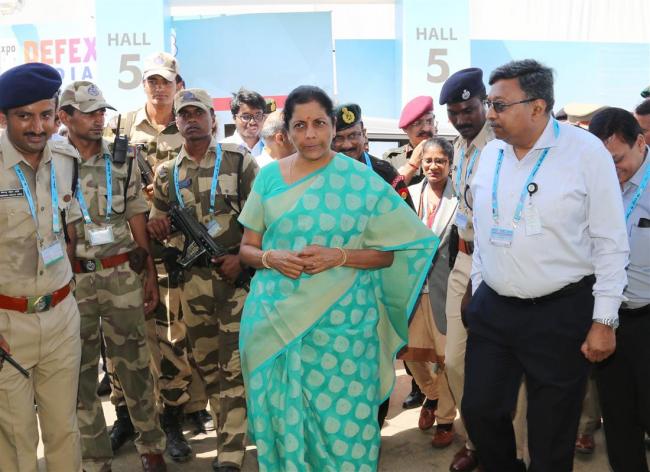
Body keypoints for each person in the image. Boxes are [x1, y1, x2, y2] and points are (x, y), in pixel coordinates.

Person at [237, 85, 438, 471]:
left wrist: (339, 256)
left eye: (318, 123)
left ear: (332, 126)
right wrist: (269, 257)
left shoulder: (362, 181)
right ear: (286, 131)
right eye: (300, 125)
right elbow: (247, 248)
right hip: (275, 324)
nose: (310, 134)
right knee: (282, 424)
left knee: (348, 431)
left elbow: (389, 255)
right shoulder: (269, 179)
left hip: (345, 330)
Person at [464, 59, 629, 472]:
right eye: (489, 103)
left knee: (550, 435)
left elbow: (611, 242)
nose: (490, 113)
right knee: (480, 410)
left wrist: (604, 320)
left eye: (500, 105)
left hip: (559, 313)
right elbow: (484, 228)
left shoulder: (585, 153)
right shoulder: (491, 153)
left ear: (537, 107)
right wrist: (480, 286)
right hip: (495, 310)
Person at [58, 80, 167, 472]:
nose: (98, 119)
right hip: (74, 280)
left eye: (101, 111)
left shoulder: (122, 158)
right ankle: (95, 456)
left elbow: (137, 213)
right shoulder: (53, 161)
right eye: (89, 112)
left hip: (121, 272)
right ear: (64, 116)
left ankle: (151, 446)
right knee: (80, 371)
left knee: (135, 365)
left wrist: (149, 273)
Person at [147, 88, 257, 472]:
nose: (191, 120)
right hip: (192, 285)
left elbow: (264, 219)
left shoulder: (238, 160)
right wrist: (158, 227)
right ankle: (229, 429)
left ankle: (230, 453)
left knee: (234, 368)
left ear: (213, 117)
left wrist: (242, 260)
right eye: (184, 114)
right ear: (176, 122)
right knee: (208, 368)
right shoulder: (166, 173)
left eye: (198, 113)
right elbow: (156, 226)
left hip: (235, 281)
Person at [111, 51, 210, 461]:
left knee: (172, 337)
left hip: (172, 250)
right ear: (144, 84)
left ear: (177, 84)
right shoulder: (122, 125)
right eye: (152, 80)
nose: (158, 87)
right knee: (121, 337)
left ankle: (174, 417)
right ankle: (124, 415)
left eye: (165, 81)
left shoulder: (188, 123)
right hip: (127, 248)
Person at [0, 63, 82, 471]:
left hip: (61, 314)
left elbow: (67, 231)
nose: (37, 127)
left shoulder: (66, 159)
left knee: (64, 430)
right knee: (16, 441)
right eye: (24, 116)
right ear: (3, 117)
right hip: (7, 324)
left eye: (45, 115)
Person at [435, 67, 494, 472]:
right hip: (463, 258)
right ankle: (476, 440)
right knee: (454, 361)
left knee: (501, 364)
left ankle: (507, 449)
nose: (462, 119)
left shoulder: (500, 145)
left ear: (484, 102)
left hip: (494, 264)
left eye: (469, 109)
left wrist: (478, 279)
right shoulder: (460, 146)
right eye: (454, 113)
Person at [589, 107, 650, 472]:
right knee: (618, 420)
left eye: (617, 160)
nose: (611, 171)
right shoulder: (594, 187)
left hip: (648, 318)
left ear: (640, 143)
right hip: (608, 322)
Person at [398, 137, 458, 447]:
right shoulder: (408, 194)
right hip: (410, 288)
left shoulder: (460, 197)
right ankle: (431, 395)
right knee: (408, 354)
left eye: (440, 161)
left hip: (444, 289)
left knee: (446, 358)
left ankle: (445, 419)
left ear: (451, 165)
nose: (433, 166)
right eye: (428, 161)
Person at [333, 102, 414, 209]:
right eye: (339, 138)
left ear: (363, 133)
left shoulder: (386, 173)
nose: (347, 145)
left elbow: (408, 215)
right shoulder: (322, 174)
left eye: (353, 135)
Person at [384, 95, 436, 185]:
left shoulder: (449, 153)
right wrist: (412, 164)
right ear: (405, 128)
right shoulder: (393, 159)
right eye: (417, 123)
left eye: (429, 121)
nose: (426, 128)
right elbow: (390, 190)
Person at [222, 87, 267, 158]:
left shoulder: (274, 147)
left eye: (258, 116)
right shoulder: (222, 149)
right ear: (234, 118)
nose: (252, 122)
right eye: (246, 117)